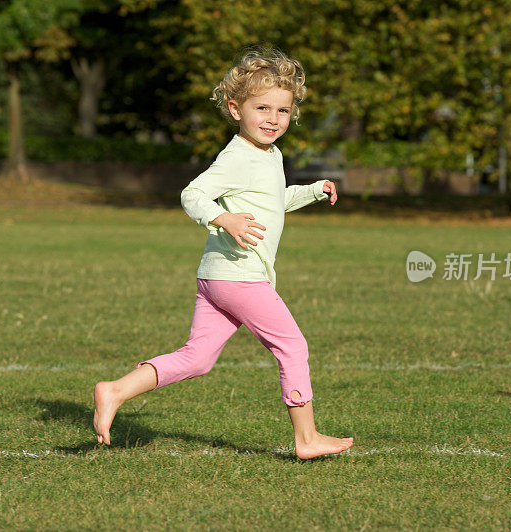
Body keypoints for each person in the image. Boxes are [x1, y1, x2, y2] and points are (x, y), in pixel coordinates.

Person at [93, 48, 354, 459]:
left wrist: (312, 190)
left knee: (197, 359)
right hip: (241, 277)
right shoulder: (237, 157)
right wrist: (223, 219)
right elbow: (192, 194)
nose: (273, 119)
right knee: (293, 346)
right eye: (262, 108)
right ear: (235, 109)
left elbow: (271, 201)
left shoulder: (269, 154)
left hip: (217, 276)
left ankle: (116, 390)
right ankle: (307, 439)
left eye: (282, 111)